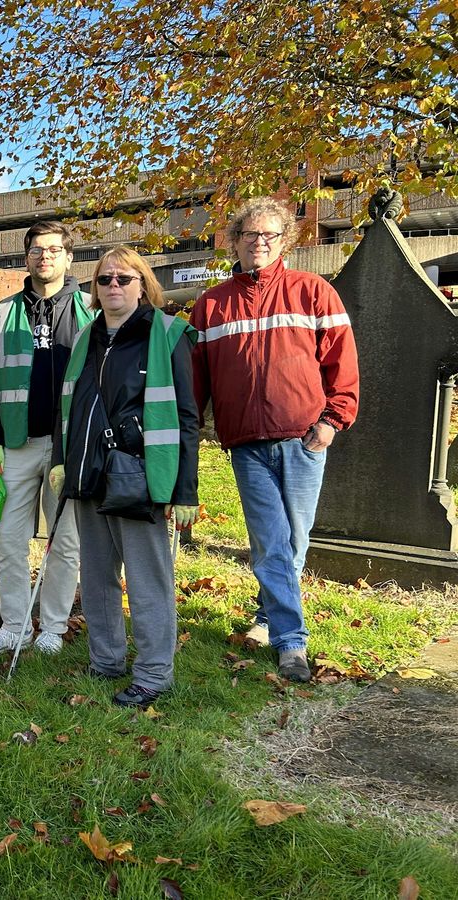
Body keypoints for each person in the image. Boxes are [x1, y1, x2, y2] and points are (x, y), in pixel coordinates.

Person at [190, 197, 359, 682]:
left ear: (285, 240)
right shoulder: (212, 304)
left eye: (269, 235)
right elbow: (196, 377)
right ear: (235, 241)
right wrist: (190, 430)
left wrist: (332, 421)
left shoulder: (313, 291)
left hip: (304, 438)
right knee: (271, 542)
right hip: (246, 444)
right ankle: (291, 642)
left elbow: (341, 363)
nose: (259, 243)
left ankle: (267, 617)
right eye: (250, 235)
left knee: (293, 541)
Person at [50, 248, 199, 706]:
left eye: (124, 278)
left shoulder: (168, 333)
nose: (114, 286)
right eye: (105, 279)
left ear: (143, 283)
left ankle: (154, 674)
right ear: (94, 287)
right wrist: (61, 458)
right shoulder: (85, 339)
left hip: (141, 474)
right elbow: (68, 408)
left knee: (147, 578)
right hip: (89, 472)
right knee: (96, 577)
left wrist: (184, 489)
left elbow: (187, 416)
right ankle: (106, 661)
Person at [0, 221, 95, 654]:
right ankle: (15, 625)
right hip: (17, 446)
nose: (46, 256)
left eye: (54, 249)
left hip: (67, 449)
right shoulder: (2, 313)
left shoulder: (91, 312)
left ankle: (54, 629)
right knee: (7, 541)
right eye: (37, 250)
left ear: (68, 257)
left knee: (64, 543)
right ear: (26, 257)